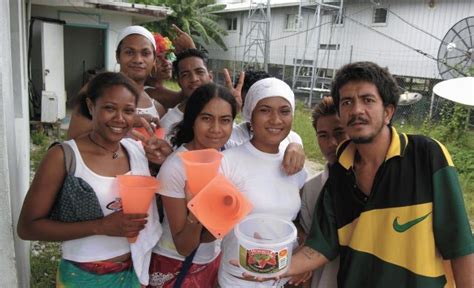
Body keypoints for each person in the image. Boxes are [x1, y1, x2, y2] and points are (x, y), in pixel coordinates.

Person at [284, 61, 474, 287]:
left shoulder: (426, 155)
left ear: (388, 112)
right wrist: (271, 268)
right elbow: (319, 247)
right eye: (347, 102)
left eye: (368, 100)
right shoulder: (339, 175)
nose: (356, 110)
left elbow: (459, 245)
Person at [17, 72, 161, 287]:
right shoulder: (64, 156)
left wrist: (163, 161)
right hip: (83, 277)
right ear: (91, 106)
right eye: (110, 108)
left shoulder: (137, 152)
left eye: (128, 111)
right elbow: (28, 228)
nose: (120, 118)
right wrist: (100, 226)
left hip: (134, 270)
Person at [218, 77, 308, 287]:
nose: (276, 119)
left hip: (280, 278)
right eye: (265, 110)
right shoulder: (228, 162)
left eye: (284, 111)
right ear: (250, 114)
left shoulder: (294, 165)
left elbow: (293, 220)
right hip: (238, 279)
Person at [148, 83, 237, 287]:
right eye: (206, 118)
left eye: (225, 120)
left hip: (212, 261)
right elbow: (184, 247)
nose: (216, 129)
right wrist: (197, 216)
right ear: (192, 120)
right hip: (175, 264)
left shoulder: (228, 156)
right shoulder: (176, 168)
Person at [68, 26, 166, 139]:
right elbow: (74, 136)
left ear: (154, 60)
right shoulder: (97, 89)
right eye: (129, 52)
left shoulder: (157, 109)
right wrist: (131, 120)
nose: (138, 59)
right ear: (117, 56)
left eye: (145, 53)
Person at [298, 96, 348, 288]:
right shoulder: (311, 189)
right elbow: (308, 249)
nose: (332, 143)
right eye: (323, 135)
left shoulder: (375, 184)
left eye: (339, 132)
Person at [145, 25, 196, 110]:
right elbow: (194, 96)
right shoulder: (150, 92)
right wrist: (191, 48)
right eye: (158, 59)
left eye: (168, 56)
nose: (166, 62)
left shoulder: (158, 89)